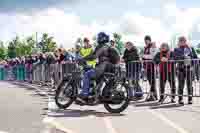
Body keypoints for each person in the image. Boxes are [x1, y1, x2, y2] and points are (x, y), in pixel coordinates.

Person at [78, 32, 120, 101]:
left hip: (103, 67)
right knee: (97, 79)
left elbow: (94, 56)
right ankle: (95, 95)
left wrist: (83, 59)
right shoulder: (108, 46)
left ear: (101, 38)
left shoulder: (102, 46)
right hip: (110, 68)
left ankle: (84, 94)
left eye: (99, 37)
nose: (98, 38)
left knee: (87, 74)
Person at [174, 36, 198, 105]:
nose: (182, 42)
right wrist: (183, 57)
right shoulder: (176, 49)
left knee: (189, 85)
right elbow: (175, 58)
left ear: (186, 41)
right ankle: (180, 99)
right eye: (180, 40)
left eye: (183, 40)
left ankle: (190, 99)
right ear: (179, 41)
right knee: (181, 85)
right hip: (181, 69)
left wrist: (193, 66)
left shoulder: (191, 48)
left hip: (189, 69)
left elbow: (195, 58)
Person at [142, 35, 158, 101]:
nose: (145, 41)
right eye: (145, 40)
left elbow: (152, 56)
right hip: (147, 67)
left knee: (152, 82)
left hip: (152, 66)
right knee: (150, 82)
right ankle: (153, 96)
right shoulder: (146, 47)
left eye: (147, 40)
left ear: (149, 40)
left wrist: (144, 56)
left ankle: (154, 96)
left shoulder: (152, 46)